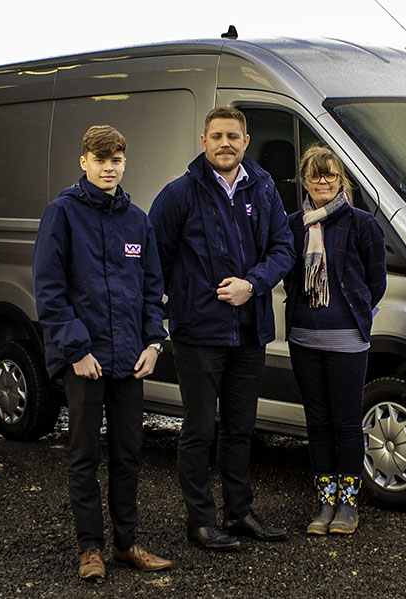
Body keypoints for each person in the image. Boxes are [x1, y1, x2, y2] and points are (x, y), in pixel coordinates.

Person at [149, 106, 294, 551]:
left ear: (245, 141)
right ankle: (200, 521)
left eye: (233, 136)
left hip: (249, 331)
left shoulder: (264, 187)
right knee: (198, 431)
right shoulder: (179, 195)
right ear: (203, 141)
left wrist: (253, 284)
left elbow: (283, 248)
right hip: (198, 333)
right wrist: (170, 313)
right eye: (217, 136)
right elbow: (156, 262)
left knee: (239, 428)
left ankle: (240, 512)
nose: (225, 143)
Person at [33, 125, 171, 580]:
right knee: (84, 454)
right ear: (84, 162)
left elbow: (152, 286)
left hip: (130, 361)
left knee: (129, 453)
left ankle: (126, 544)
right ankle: (90, 547)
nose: (108, 167)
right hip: (85, 362)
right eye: (100, 159)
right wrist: (75, 350)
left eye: (116, 160)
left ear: (124, 163)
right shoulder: (62, 215)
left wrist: (153, 343)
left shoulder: (137, 219)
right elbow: (50, 291)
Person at [284, 145, 386, 535]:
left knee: (345, 423)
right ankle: (324, 503)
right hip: (303, 337)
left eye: (329, 174)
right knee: (317, 424)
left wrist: (354, 311)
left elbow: (376, 283)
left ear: (340, 179)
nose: (322, 181)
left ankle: (348, 505)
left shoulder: (362, 223)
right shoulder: (293, 224)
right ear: (304, 180)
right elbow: (289, 275)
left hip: (347, 339)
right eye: (315, 175)